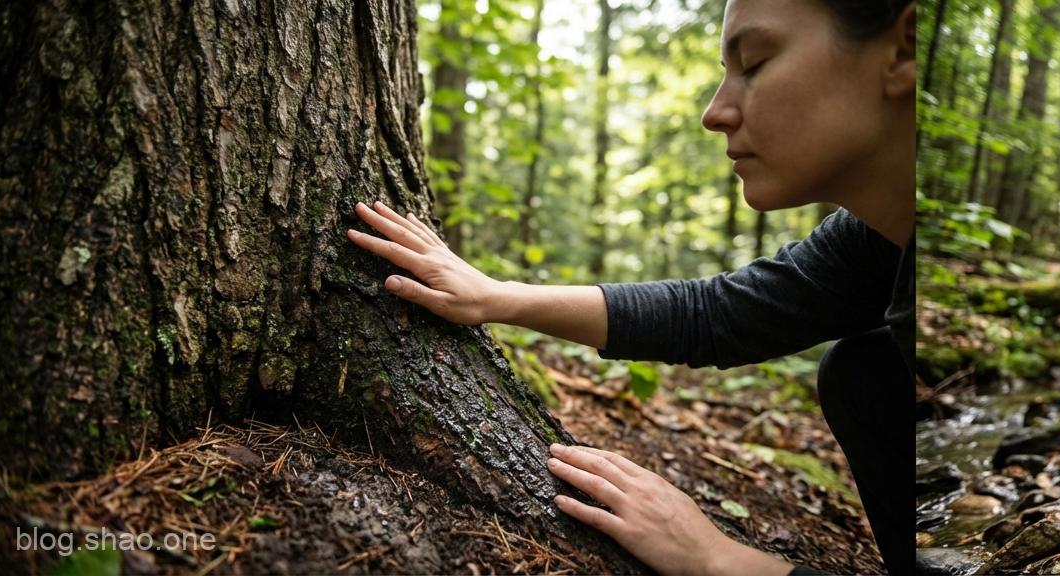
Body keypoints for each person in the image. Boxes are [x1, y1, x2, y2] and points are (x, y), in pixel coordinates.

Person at [343, 0, 916, 573]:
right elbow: (718, 314)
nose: (714, 113)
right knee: (863, 373)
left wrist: (716, 559)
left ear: (903, 50)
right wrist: (494, 297)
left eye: (755, 63)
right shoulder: (873, 242)